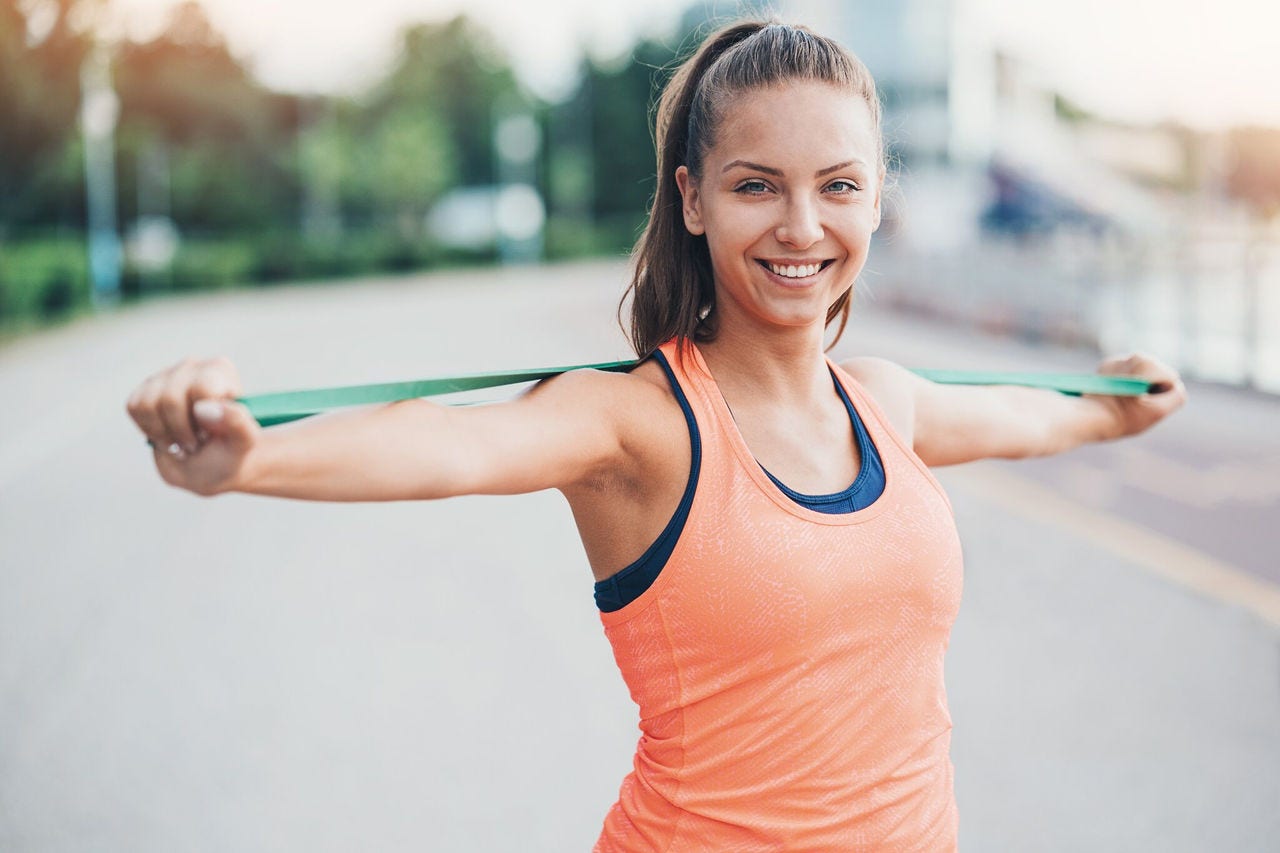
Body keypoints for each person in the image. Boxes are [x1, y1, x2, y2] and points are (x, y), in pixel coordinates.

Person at [125, 19, 1186, 852]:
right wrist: (247, 458)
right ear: (691, 198)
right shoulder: (639, 423)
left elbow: (1028, 417)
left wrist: (1114, 400)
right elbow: (444, 443)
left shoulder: (883, 402)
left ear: (876, 201)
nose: (801, 227)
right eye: (755, 186)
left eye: (839, 187)